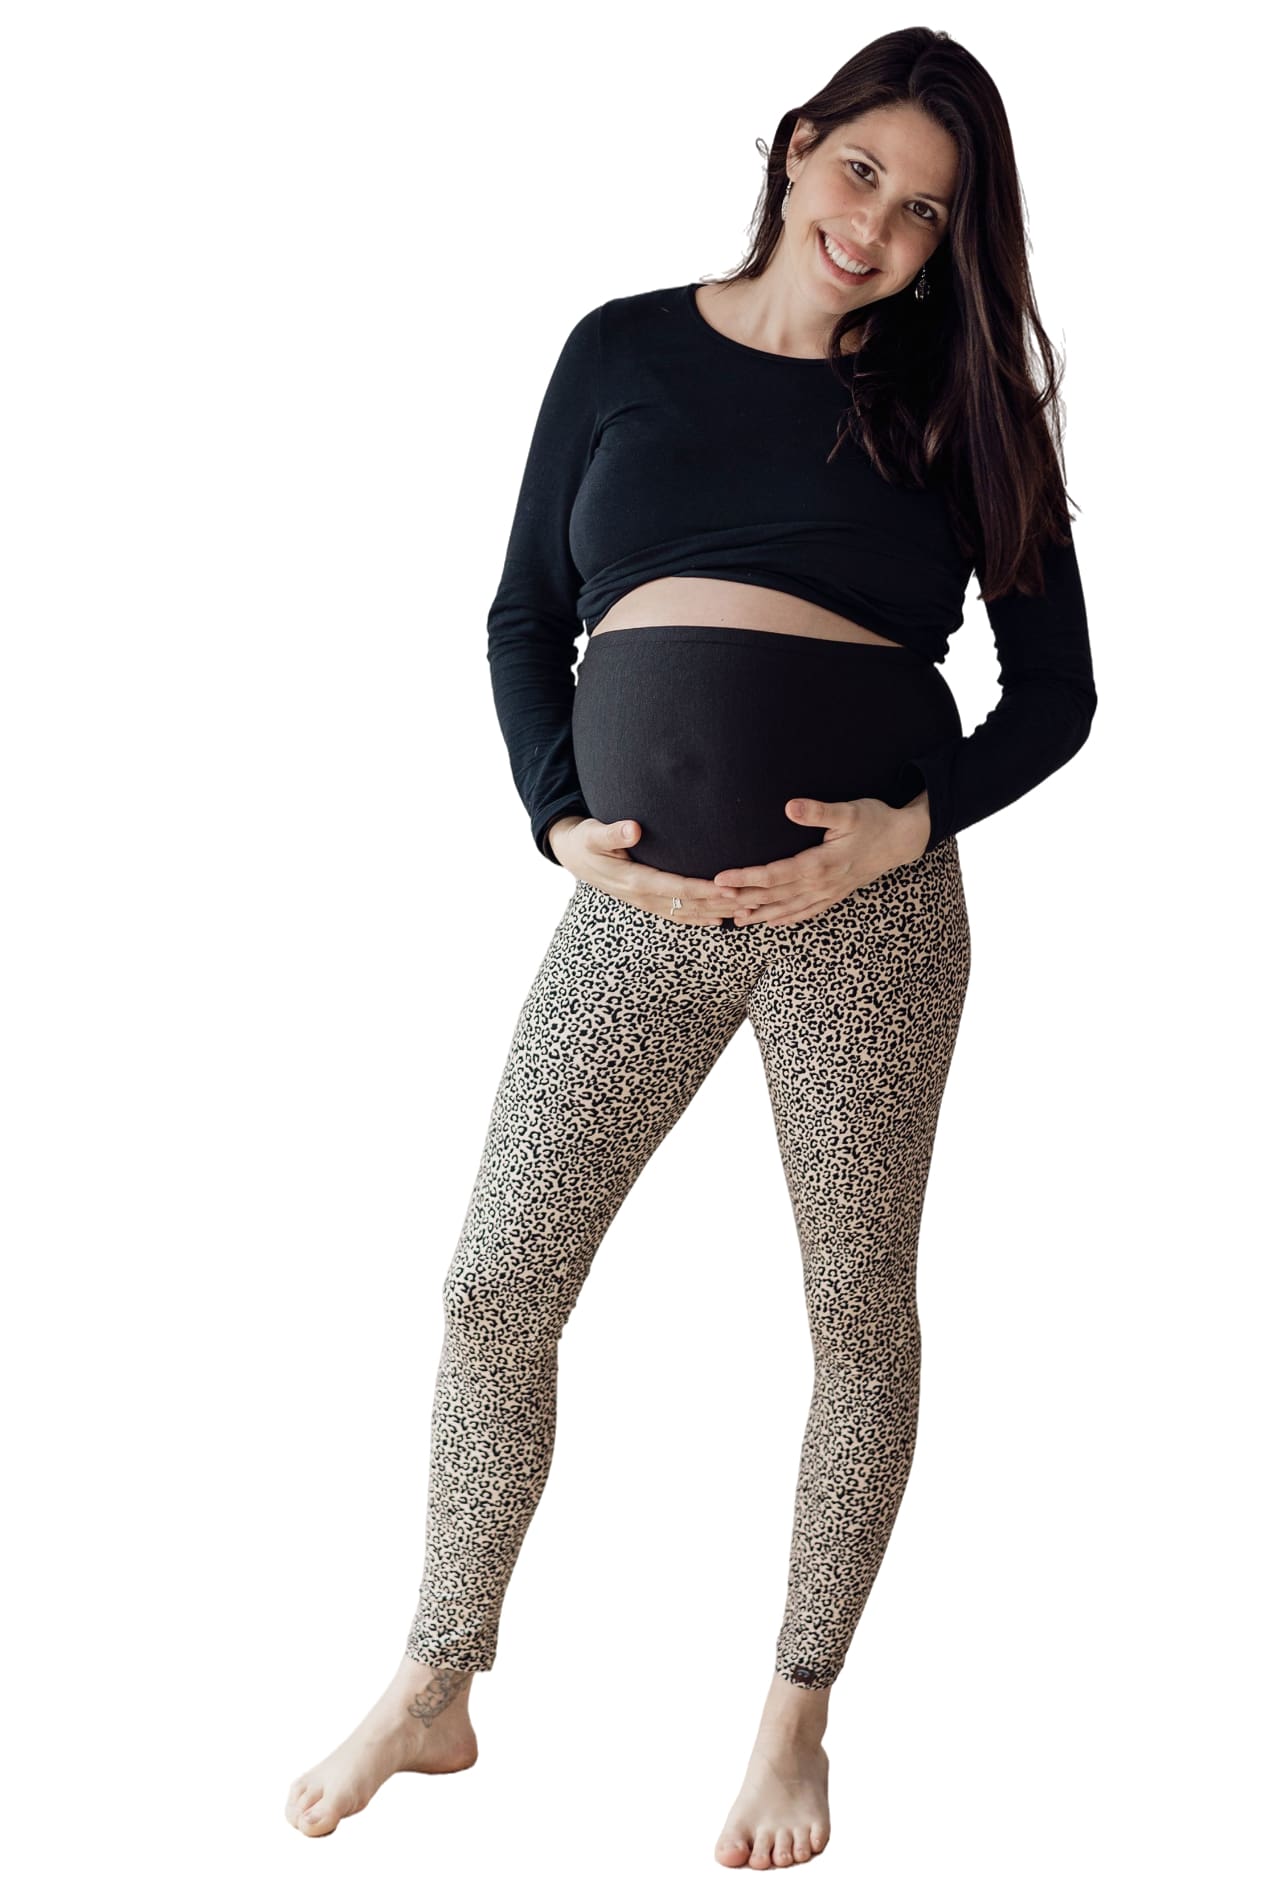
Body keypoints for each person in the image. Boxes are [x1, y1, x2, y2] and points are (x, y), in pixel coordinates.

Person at [285, 26, 1097, 1871]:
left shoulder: (963, 406)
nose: (875, 224)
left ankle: (794, 1721)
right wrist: (556, 820)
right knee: (496, 1283)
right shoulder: (622, 350)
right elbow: (522, 617)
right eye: (861, 171)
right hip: (633, 914)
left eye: (925, 211)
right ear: (799, 146)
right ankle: (436, 1678)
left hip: (861, 923)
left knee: (853, 1318)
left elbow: (1055, 695)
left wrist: (904, 830)